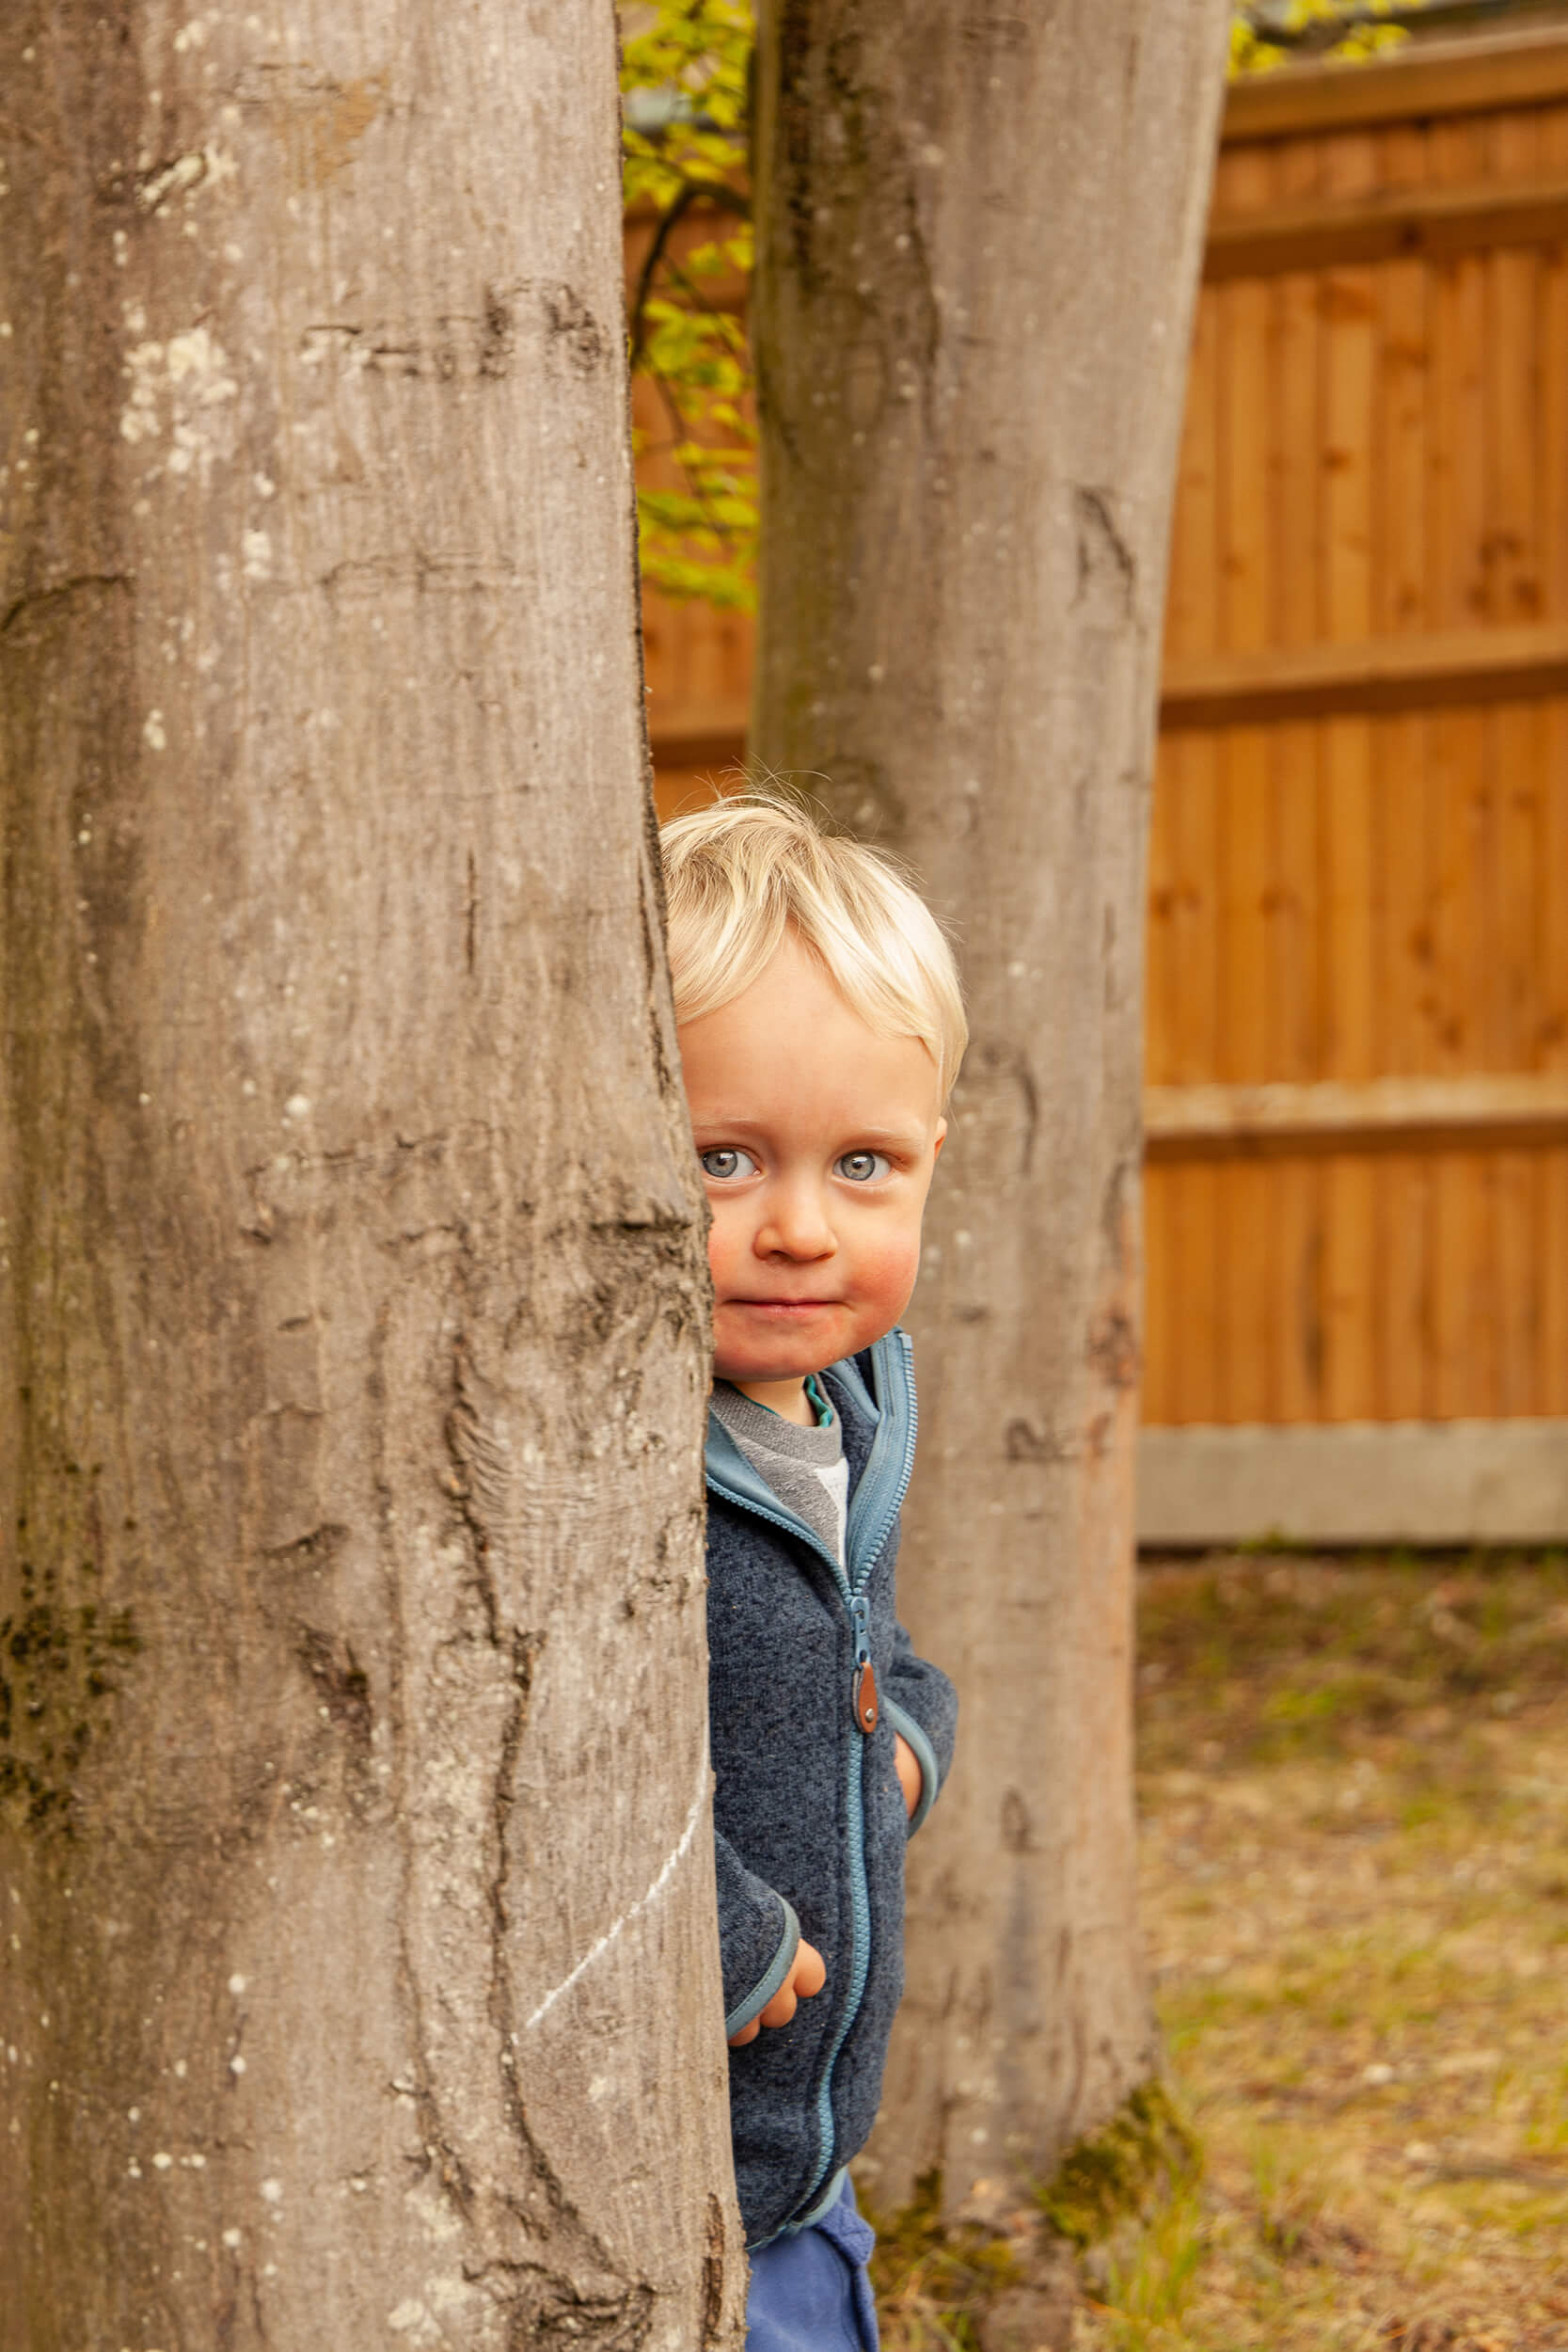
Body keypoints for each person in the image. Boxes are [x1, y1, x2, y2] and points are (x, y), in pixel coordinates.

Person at [660, 795, 965, 2352]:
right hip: (659, 2167)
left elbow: (874, 1636)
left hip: (809, 2162)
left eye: (862, 1164)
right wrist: (716, 1941)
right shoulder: (621, 1451)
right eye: (724, 1159)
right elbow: (558, 1757)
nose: (796, 1228)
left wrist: (906, 1733)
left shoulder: (846, 1401)